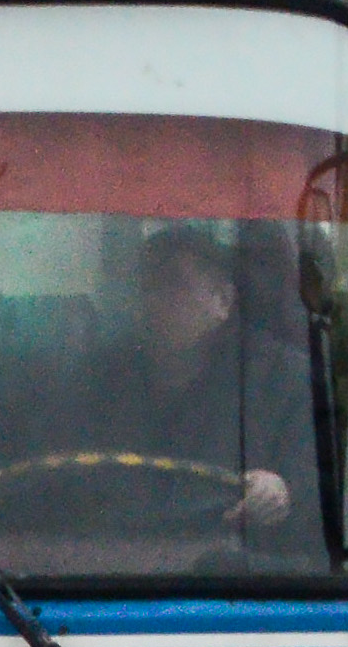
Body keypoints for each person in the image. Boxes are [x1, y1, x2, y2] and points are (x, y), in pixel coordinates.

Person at [108, 224, 308, 551]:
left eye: (173, 284)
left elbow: (315, 484)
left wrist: (281, 491)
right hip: (103, 576)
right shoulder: (106, 376)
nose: (153, 300)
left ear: (223, 301)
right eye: (146, 285)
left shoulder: (282, 379)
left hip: (235, 581)